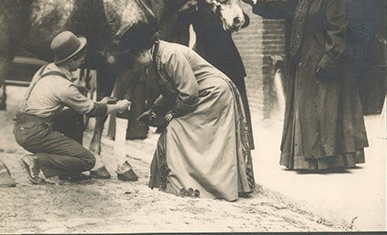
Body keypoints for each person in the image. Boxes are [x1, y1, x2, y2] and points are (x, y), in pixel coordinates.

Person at [239, 0, 369, 171]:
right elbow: (280, 8)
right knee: (308, 113)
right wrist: (253, 2)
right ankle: (306, 159)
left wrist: (327, 63)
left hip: (323, 66)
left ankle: (325, 160)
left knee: (323, 113)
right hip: (304, 65)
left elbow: (337, 34)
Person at [119, 22, 254, 201]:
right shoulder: (161, 54)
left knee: (176, 129)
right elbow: (170, 91)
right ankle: (196, 181)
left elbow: (189, 93)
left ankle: (197, 183)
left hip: (214, 94)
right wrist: (153, 111)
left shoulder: (169, 55)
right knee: (179, 130)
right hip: (205, 93)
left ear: (142, 52)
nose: (137, 65)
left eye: (135, 60)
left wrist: (174, 113)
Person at [14, 31, 131, 184]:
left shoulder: (46, 68)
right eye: (81, 59)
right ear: (71, 60)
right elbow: (93, 111)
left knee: (72, 115)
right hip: (34, 133)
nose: (83, 62)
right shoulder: (64, 87)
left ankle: (68, 171)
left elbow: (84, 105)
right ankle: (36, 161)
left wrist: (102, 101)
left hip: (22, 127)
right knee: (88, 160)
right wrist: (117, 107)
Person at [177, 0, 254, 149]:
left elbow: (244, 21)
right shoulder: (196, 8)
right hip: (206, 62)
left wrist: (230, 8)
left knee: (236, 103)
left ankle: (239, 144)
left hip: (229, 62)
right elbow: (181, 23)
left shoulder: (224, 5)